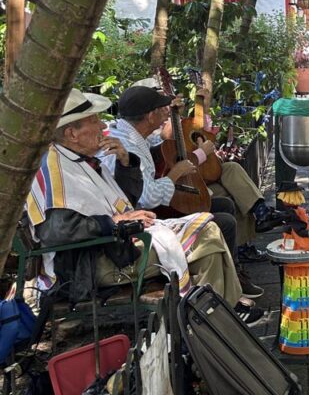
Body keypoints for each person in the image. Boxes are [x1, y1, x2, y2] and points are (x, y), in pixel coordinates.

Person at [26, 89, 263, 323]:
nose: (102, 126)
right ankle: (211, 317)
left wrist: (126, 164)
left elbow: (123, 201)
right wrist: (114, 222)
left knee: (209, 227)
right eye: (95, 120)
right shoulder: (54, 168)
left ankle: (215, 314)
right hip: (92, 264)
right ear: (71, 134)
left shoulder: (78, 160)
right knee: (209, 233)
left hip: (114, 247)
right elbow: (56, 231)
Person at [101, 86, 267, 299]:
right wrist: (175, 174)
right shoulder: (126, 144)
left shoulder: (134, 134)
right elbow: (146, 197)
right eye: (162, 109)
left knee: (225, 202)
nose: (100, 126)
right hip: (146, 217)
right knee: (223, 219)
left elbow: (166, 140)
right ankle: (225, 293)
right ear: (150, 115)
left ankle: (235, 269)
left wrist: (184, 114)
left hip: (161, 203)